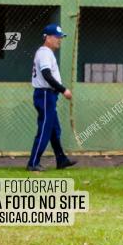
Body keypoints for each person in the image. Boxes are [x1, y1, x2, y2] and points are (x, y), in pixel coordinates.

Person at [26, 23, 76, 172]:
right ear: (47, 37)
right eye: (56, 37)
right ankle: (33, 163)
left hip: (48, 95)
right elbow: (47, 75)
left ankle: (61, 160)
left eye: (60, 37)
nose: (59, 40)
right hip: (45, 94)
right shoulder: (45, 53)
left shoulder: (46, 52)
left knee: (54, 130)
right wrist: (63, 90)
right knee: (45, 130)